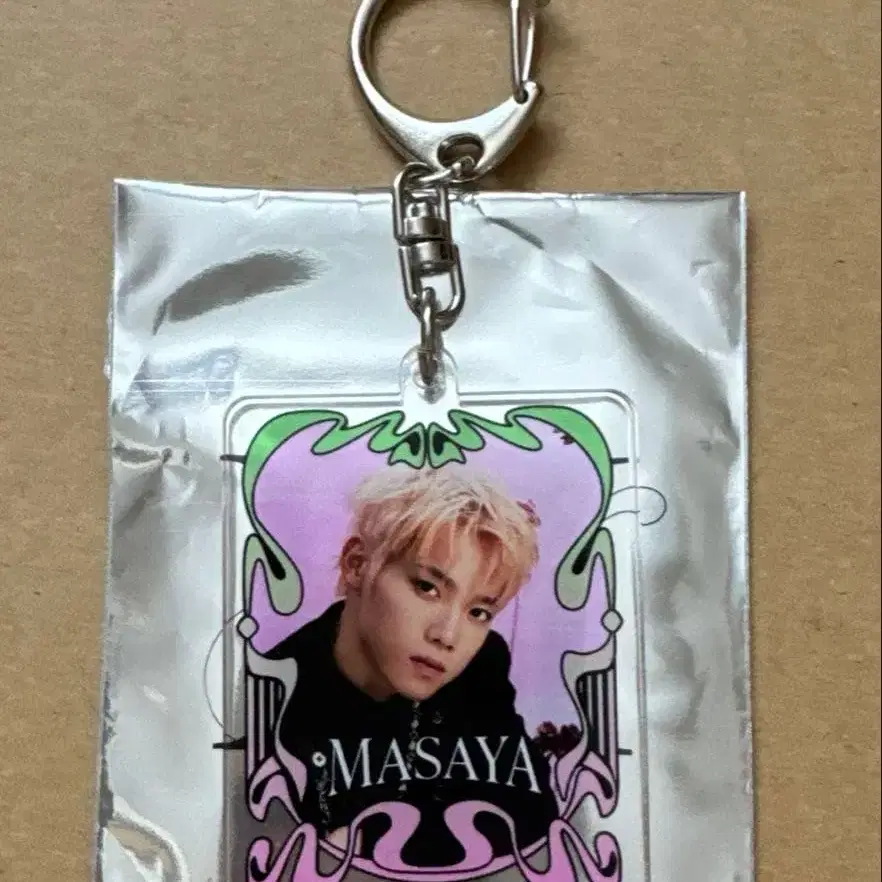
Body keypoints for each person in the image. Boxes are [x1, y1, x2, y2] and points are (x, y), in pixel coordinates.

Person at [264, 465, 559, 868]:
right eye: (427, 587)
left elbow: (532, 819)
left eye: (478, 611)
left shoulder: (481, 664)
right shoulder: (276, 692)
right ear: (356, 565)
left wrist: (372, 837)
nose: (447, 636)